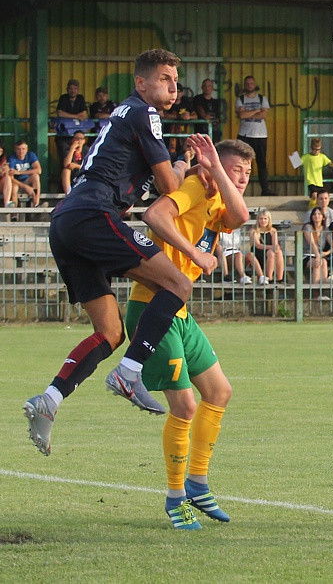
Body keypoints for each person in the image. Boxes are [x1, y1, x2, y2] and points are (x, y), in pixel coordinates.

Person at [23, 49, 195, 457]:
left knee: (110, 332)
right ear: (141, 83)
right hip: (91, 213)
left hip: (67, 219)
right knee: (178, 283)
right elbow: (171, 186)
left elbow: (136, 181)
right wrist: (186, 164)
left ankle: (49, 400)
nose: (174, 87)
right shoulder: (144, 113)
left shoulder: (123, 116)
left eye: (175, 80)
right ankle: (130, 373)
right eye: (165, 78)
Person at [125, 135, 252, 529]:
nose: (243, 178)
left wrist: (222, 175)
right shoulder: (195, 187)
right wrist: (195, 253)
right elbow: (155, 216)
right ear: (212, 164)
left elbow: (241, 217)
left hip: (178, 312)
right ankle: (175, 497)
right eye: (237, 170)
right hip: (151, 307)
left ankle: (197, 483)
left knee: (219, 392)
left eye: (248, 173)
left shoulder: (219, 197)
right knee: (185, 407)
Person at [235, 75, 270, 196]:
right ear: (245, 85)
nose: (249, 85)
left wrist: (248, 112)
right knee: (241, 163)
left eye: (251, 83)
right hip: (244, 135)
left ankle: (265, 190)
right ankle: (238, 190)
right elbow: (242, 116)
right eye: (247, 83)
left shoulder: (262, 99)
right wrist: (256, 111)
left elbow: (263, 115)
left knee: (262, 163)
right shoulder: (240, 99)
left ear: (254, 85)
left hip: (260, 135)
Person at [55, 79, 89, 163]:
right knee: (64, 158)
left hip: (77, 133)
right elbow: (60, 113)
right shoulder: (63, 98)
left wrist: (69, 116)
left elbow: (84, 115)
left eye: (75, 89)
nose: (72, 91)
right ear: (67, 89)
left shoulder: (80, 98)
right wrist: (76, 116)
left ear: (78, 90)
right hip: (64, 135)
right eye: (70, 89)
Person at [302, 206, 331, 300]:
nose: (316, 216)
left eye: (319, 214)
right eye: (314, 214)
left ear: (323, 217)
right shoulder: (308, 227)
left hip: (319, 256)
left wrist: (325, 253)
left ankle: (323, 290)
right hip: (307, 255)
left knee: (324, 262)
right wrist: (318, 256)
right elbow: (312, 243)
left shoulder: (325, 230)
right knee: (317, 263)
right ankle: (315, 292)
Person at [248, 208, 284, 284]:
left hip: (270, 253)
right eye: (261, 219)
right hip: (258, 253)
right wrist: (271, 247)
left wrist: (275, 248)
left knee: (279, 252)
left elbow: (275, 244)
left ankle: (280, 278)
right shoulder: (254, 230)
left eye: (265, 219)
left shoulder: (273, 230)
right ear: (258, 220)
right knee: (271, 252)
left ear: (268, 220)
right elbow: (257, 245)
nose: (263, 221)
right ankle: (269, 278)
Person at [302, 137, 333, 205]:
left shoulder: (322, 157)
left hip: (319, 181)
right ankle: (312, 208)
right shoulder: (306, 157)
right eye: (315, 149)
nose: (316, 151)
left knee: (320, 196)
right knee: (314, 194)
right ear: (311, 148)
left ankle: (317, 208)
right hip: (311, 181)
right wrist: (293, 156)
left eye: (318, 150)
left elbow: (330, 164)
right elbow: (296, 164)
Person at [7, 140, 41, 207]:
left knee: (36, 177)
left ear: (27, 149)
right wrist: (25, 187)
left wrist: (20, 172)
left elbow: (38, 170)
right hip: (17, 183)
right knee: (14, 188)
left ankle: (36, 204)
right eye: (18, 149)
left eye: (23, 149)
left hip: (27, 180)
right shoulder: (12, 158)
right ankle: (14, 215)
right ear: (15, 150)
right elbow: (10, 177)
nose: (21, 151)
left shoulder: (31, 155)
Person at [193, 78, 224, 143]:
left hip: (214, 133)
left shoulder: (216, 102)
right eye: (205, 86)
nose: (207, 88)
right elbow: (199, 108)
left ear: (212, 88)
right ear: (202, 87)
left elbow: (218, 118)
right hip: (201, 133)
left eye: (209, 86)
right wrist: (204, 116)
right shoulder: (198, 98)